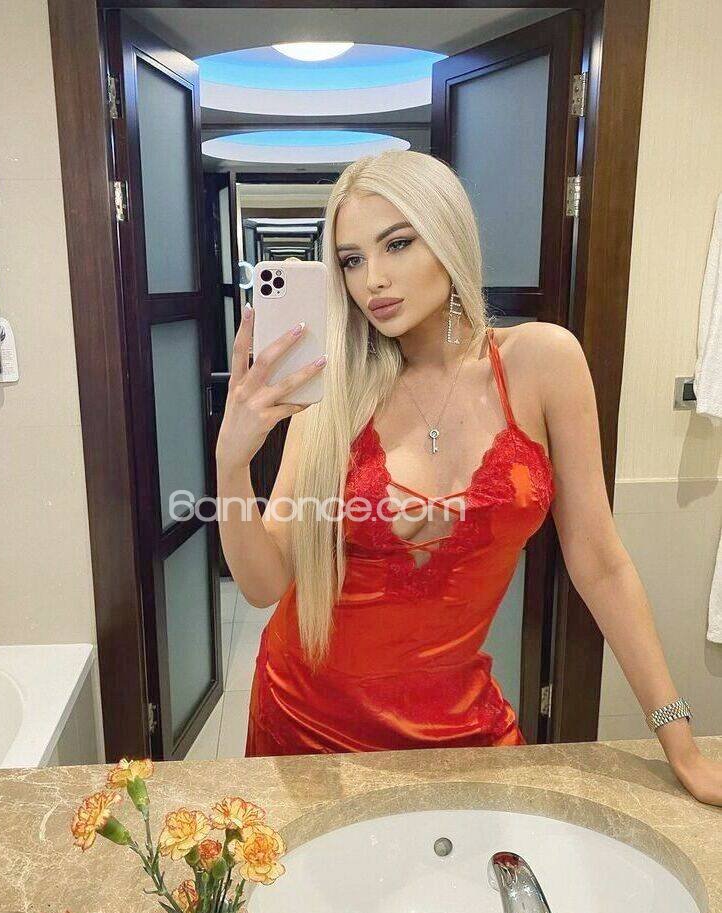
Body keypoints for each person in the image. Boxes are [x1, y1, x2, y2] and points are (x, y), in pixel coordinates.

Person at [216, 149, 721, 806]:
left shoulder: (542, 362)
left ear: (448, 235)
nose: (373, 279)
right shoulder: (331, 392)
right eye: (351, 259)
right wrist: (231, 461)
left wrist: (679, 742)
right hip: (307, 725)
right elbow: (263, 585)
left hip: (458, 725)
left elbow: (600, 563)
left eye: (398, 243)